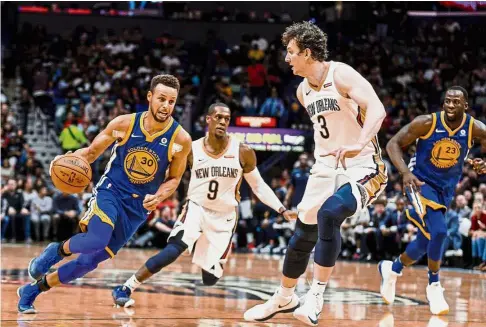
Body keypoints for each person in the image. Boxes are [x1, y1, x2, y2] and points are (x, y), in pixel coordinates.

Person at [244, 21, 388, 326]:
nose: (286, 58)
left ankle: (316, 296)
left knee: (329, 214)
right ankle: (284, 296)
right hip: (324, 166)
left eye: (291, 52)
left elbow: (377, 109)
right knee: (302, 233)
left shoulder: (341, 74)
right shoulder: (301, 91)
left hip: (362, 164)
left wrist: (359, 142)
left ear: (307, 53)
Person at [17, 74, 192, 314]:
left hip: (137, 209)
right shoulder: (124, 124)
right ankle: (52, 253)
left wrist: (161, 195)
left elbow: (174, 178)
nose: (166, 106)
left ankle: (32, 291)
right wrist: (66, 160)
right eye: (161, 99)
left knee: (86, 263)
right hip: (111, 191)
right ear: (150, 97)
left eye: (171, 102)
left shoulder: (180, 139)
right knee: (97, 238)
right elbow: (90, 153)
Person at [112, 103, 296, 307]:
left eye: (226, 118)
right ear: (208, 119)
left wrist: (282, 209)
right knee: (174, 249)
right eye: (218, 117)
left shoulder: (243, 151)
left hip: (225, 216)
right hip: (196, 209)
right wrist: (155, 195)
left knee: (210, 279)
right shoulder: (191, 149)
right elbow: (172, 177)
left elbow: (258, 186)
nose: (223, 122)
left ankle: (203, 250)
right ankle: (126, 287)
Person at [379, 86, 486, 315]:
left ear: (465, 106)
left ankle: (392, 269)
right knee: (439, 232)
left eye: (456, 102)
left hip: (445, 191)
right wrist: (405, 173)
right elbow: (392, 144)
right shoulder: (427, 122)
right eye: (447, 101)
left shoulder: (474, 127)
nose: (450, 105)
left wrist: (482, 162)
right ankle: (434, 285)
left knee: (424, 241)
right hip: (418, 183)